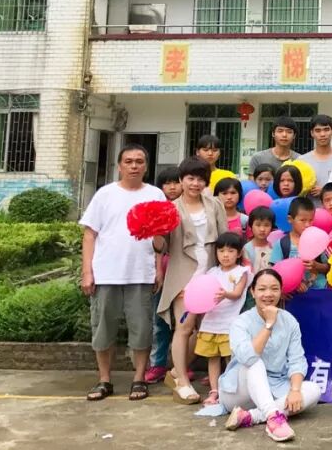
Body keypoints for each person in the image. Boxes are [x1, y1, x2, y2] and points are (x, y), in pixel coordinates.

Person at [80, 144, 167, 402]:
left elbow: (160, 238)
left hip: (140, 274)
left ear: (146, 166)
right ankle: (104, 380)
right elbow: (89, 235)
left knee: (141, 330)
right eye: (128, 161)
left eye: (139, 161)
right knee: (103, 329)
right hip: (106, 273)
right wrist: (87, 271)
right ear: (119, 166)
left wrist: (158, 267)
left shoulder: (155, 195)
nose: (134, 166)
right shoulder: (104, 195)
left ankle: (139, 379)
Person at [153, 157, 227, 405]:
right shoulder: (170, 208)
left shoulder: (214, 204)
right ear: (181, 180)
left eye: (200, 179)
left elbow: (224, 238)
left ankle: (176, 371)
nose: (195, 184)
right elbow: (162, 246)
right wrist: (154, 233)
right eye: (190, 178)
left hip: (211, 274)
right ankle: (182, 382)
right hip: (183, 275)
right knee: (184, 327)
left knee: (207, 330)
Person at [221, 269, 322, 442]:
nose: (268, 294)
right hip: (240, 392)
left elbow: (297, 360)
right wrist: (269, 324)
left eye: (274, 289)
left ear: (281, 292)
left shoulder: (289, 321)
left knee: (313, 389)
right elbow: (248, 358)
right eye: (262, 289)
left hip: (275, 388)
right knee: (255, 362)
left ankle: (251, 416)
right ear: (253, 292)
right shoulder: (241, 322)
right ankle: (273, 419)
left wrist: (295, 390)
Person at [196, 231, 250, 405]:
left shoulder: (242, 272)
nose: (225, 255)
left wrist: (225, 294)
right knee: (212, 358)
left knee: (230, 359)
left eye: (231, 251)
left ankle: (230, 390)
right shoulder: (212, 272)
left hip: (229, 324)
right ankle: (214, 391)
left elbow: (237, 294)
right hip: (210, 323)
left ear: (239, 253)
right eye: (221, 251)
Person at [144, 167, 182, 386]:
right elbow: (154, 245)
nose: (172, 187)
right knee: (160, 320)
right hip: (162, 272)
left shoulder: (189, 208)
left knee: (185, 322)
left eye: (176, 182)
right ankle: (157, 364)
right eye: (167, 183)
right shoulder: (156, 211)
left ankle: (182, 365)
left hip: (184, 272)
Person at [270, 198, 320, 292]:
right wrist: (288, 286)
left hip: (318, 292)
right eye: (303, 220)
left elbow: (328, 267)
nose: (307, 224)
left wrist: (316, 265)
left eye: (311, 220)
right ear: (290, 219)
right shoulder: (282, 244)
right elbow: (273, 272)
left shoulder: (317, 240)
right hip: (292, 295)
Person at [300, 114, 332, 198]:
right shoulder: (302, 161)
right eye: (318, 130)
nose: (322, 134)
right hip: (309, 206)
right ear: (312, 133)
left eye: (326, 130)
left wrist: (326, 191)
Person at [243, 207, 276, 275]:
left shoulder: (274, 247)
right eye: (258, 225)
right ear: (251, 226)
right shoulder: (246, 249)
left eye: (266, 225)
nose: (262, 229)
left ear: (272, 227)